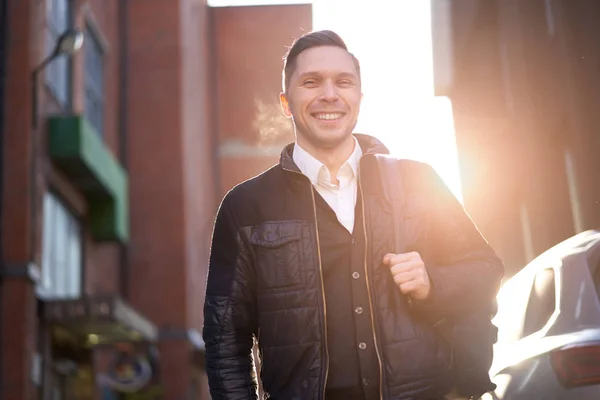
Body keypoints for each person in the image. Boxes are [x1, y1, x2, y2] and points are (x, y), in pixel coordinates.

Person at [203, 30, 504, 400]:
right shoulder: (245, 206)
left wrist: (433, 283)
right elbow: (225, 340)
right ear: (286, 102)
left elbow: (486, 269)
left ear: (358, 99)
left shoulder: (418, 180)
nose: (329, 94)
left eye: (343, 82)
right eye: (311, 82)